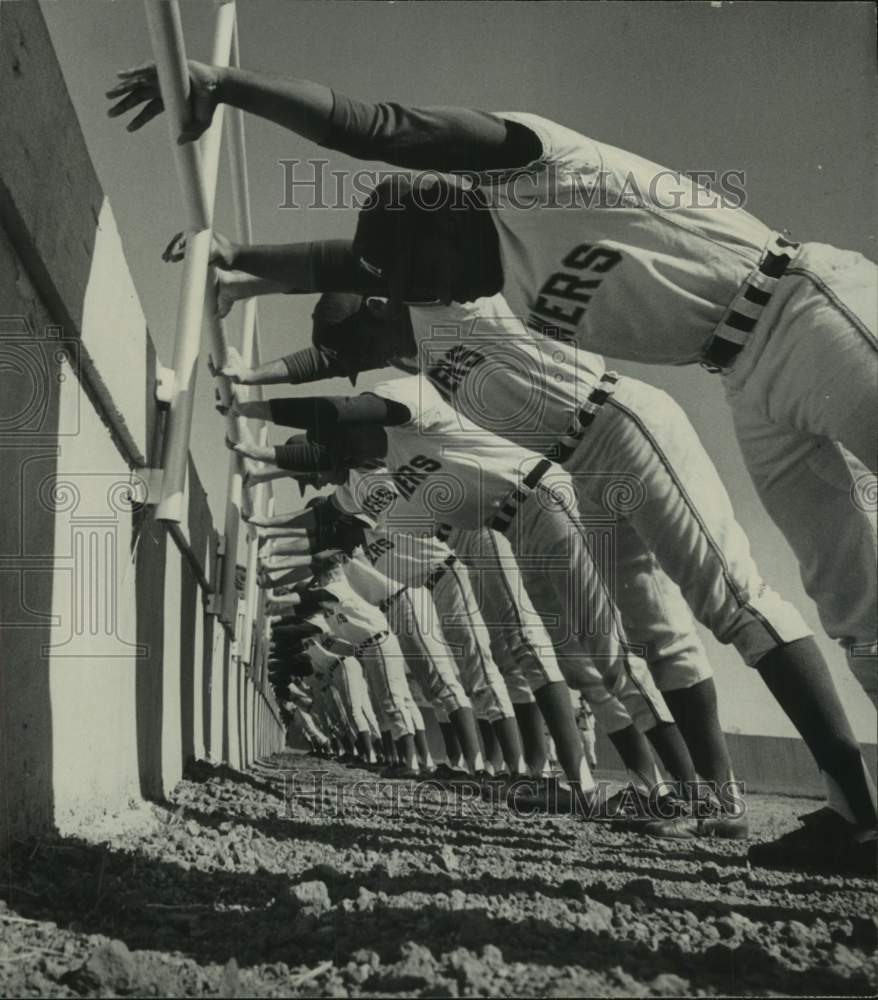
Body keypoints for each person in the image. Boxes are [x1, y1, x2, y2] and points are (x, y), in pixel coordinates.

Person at [107, 62, 876, 716]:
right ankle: (856, 820)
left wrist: (227, 84)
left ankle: (713, 787)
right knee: (850, 600)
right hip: (736, 376)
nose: (427, 302)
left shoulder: (536, 170)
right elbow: (338, 269)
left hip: (798, 305)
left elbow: (375, 125)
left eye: (419, 288)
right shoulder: (467, 281)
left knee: (720, 602)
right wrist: (239, 260)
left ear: (443, 226)